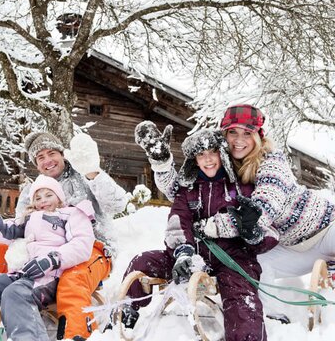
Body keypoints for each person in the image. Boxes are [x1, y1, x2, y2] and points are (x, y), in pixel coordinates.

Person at [135, 105, 335, 322]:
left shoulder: (271, 162)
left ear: (258, 136)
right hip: (289, 247)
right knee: (251, 260)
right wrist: (162, 164)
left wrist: (210, 226)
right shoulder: (224, 164)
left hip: (324, 230)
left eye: (247, 133)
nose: (239, 140)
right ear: (224, 135)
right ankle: (270, 316)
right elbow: (183, 192)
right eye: (233, 132)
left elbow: (261, 212)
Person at [0, 131, 128, 340]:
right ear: (36, 164)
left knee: (72, 278)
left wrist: (93, 172)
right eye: (40, 157)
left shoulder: (83, 175)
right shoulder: (32, 190)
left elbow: (118, 205)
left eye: (52, 153)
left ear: (62, 154)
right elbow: (20, 228)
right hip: (38, 252)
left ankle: (74, 334)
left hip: (89, 248)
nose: (47, 161)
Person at [120, 129, 278, 341]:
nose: (208, 159)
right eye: (201, 154)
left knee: (242, 301)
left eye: (213, 152)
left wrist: (254, 234)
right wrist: (183, 253)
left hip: (233, 260)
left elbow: (270, 232)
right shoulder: (188, 190)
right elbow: (178, 222)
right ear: (194, 160)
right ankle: (125, 315)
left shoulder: (243, 187)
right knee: (143, 261)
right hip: (190, 257)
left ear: (222, 153)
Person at [0, 171, 95, 341]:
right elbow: (0, 233)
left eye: (49, 195)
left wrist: (52, 259)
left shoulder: (71, 214)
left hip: (50, 277)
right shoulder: (28, 219)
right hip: (20, 275)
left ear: (59, 197)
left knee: (15, 293)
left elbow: (82, 243)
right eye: (38, 197)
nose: (43, 200)